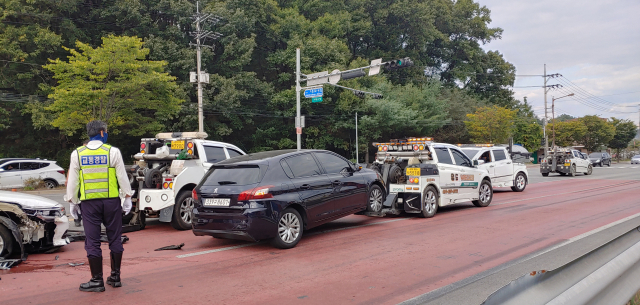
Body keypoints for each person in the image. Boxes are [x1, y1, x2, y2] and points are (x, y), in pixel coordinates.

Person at [64, 121, 133, 292]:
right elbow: (122, 177)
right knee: (115, 238)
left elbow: (72, 181)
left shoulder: (77, 154)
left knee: (92, 241)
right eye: (106, 131)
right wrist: (127, 197)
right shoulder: (113, 152)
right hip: (111, 202)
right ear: (102, 133)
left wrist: (72, 201)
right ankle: (115, 277)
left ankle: (97, 281)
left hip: (89, 204)